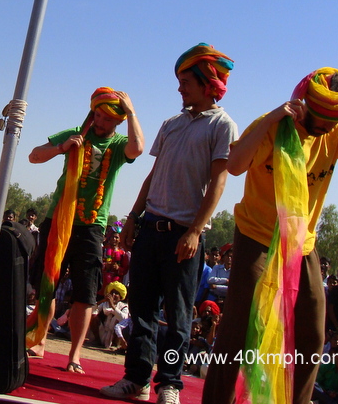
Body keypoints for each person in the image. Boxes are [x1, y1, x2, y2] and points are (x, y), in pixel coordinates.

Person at [201, 68, 338, 404]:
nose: (328, 128)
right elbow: (236, 165)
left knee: (312, 334)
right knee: (239, 331)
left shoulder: (337, 132)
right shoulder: (274, 126)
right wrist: (271, 118)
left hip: (301, 243)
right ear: (307, 106)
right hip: (256, 236)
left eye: (336, 119)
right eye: (324, 119)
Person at [101, 43, 237, 403]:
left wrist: (194, 231)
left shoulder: (223, 125)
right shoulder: (171, 124)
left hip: (184, 236)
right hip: (151, 227)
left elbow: (219, 182)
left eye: (186, 82)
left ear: (208, 84)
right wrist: (133, 217)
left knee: (177, 317)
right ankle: (136, 380)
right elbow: (153, 174)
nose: (180, 89)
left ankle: (170, 385)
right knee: (142, 310)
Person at [27, 86, 144, 374]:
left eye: (108, 119)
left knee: (85, 295)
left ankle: (75, 355)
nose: (102, 122)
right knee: (47, 285)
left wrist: (131, 112)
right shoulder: (74, 134)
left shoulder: (117, 145)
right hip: (58, 220)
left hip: (92, 228)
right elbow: (34, 156)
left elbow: (138, 148)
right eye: (98, 116)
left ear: (117, 122)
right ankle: (38, 340)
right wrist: (61, 148)